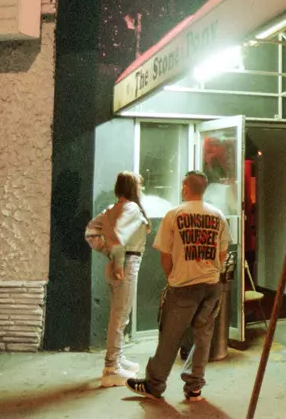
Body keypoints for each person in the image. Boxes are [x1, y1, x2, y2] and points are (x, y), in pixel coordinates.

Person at [125, 171, 230, 403]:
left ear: (185, 187)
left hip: (183, 285)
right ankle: (194, 388)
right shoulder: (218, 215)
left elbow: (165, 255)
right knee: (203, 337)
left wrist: (173, 277)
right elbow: (222, 254)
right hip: (211, 285)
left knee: (170, 338)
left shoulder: (174, 215)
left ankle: (154, 385)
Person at [100, 172, 152, 387]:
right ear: (132, 186)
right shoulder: (131, 208)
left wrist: (107, 253)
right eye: (139, 184)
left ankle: (117, 359)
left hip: (119, 262)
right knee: (120, 316)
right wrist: (119, 262)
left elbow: (91, 232)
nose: (141, 187)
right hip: (127, 263)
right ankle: (112, 367)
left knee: (119, 314)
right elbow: (120, 237)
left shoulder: (113, 209)